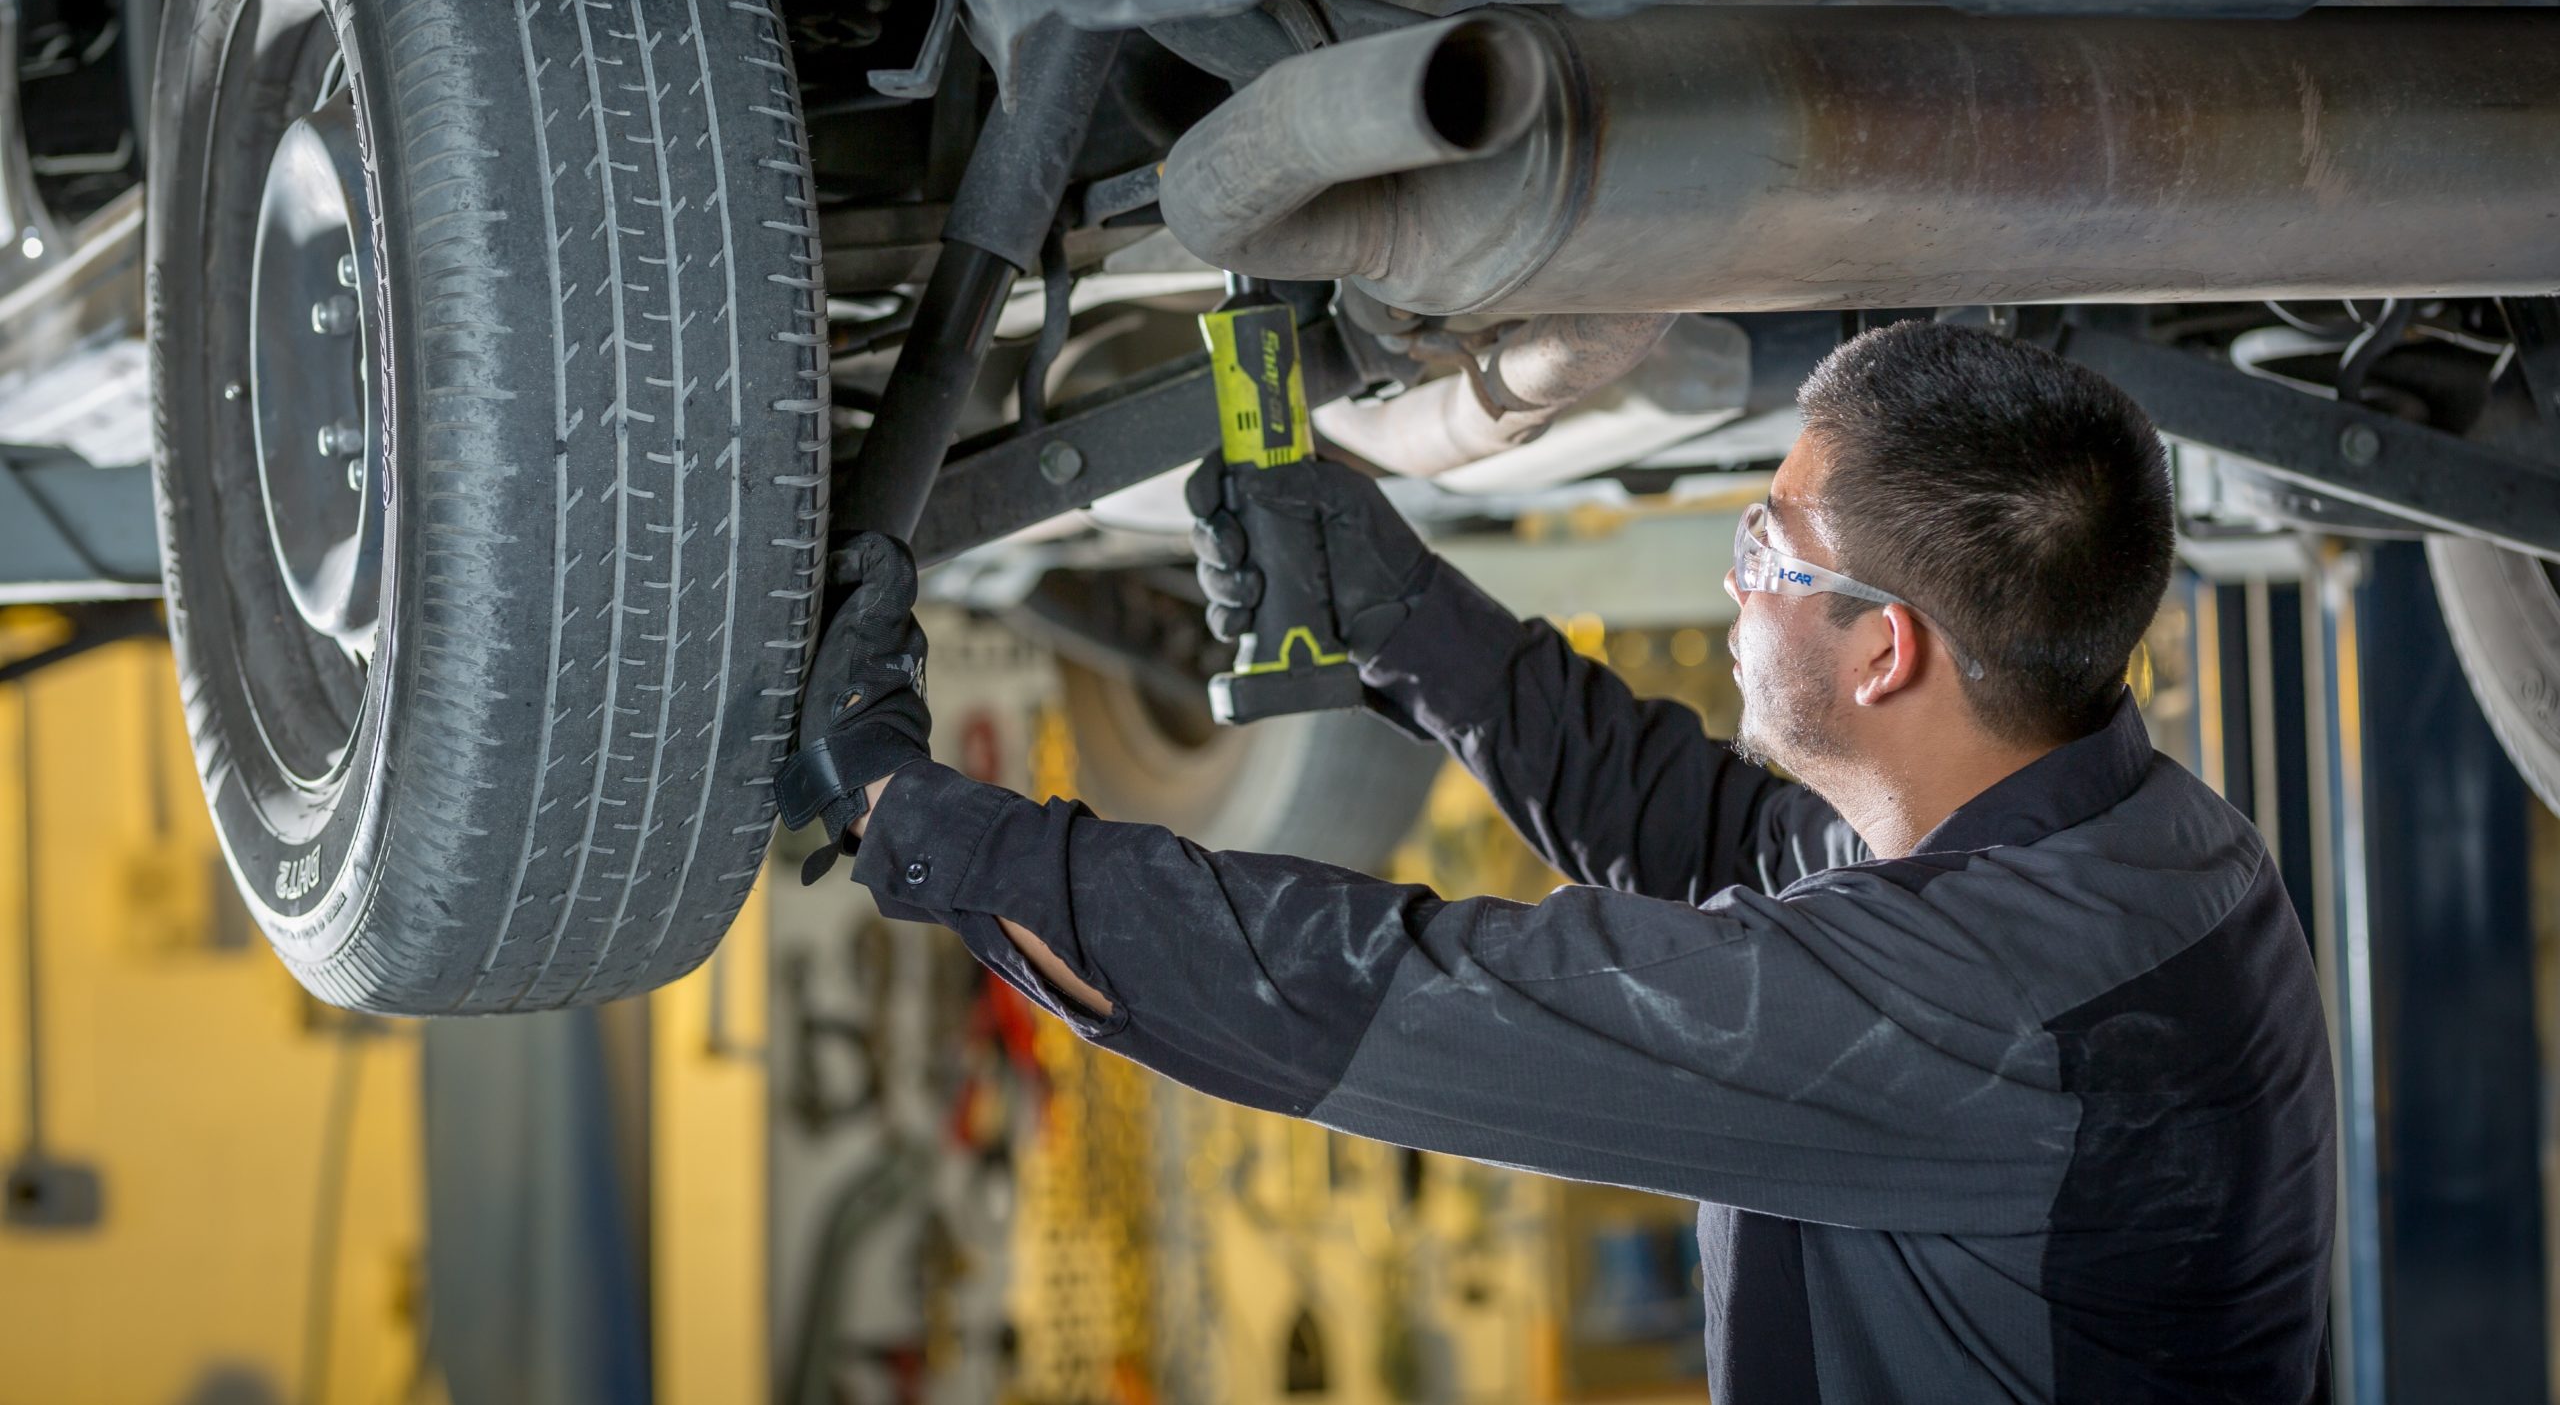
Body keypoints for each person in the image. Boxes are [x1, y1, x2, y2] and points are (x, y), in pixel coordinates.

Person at [780, 319, 2336, 1403]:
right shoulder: (2124, 839)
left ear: (1888, 652)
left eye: (1767, 548)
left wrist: (913, 813)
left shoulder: (1993, 1017)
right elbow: (1718, 838)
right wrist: (1398, 610)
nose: (1734, 580)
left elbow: (1401, 1001)